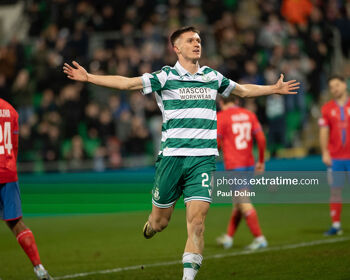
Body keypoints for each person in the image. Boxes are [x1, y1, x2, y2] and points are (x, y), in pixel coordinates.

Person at [63, 26, 299, 280]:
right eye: (190, 41)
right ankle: (152, 224)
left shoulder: (212, 76)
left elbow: (241, 90)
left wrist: (273, 89)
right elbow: (128, 83)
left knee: (197, 223)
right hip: (172, 159)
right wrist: (90, 78)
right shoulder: (165, 76)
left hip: (203, 161)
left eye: (198, 40)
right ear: (177, 48)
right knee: (160, 223)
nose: (196, 44)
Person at [0, 98, 53, 280]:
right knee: (16, 223)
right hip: (8, 172)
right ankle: (39, 268)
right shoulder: (10, 110)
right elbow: (14, 145)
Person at [216, 96, 268, 250]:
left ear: (221, 103)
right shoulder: (249, 114)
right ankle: (229, 238)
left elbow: (217, 142)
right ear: (236, 101)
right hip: (249, 164)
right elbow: (261, 138)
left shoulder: (221, 117)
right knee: (238, 203)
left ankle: (259, 238)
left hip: (234, 165)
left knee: (243, 202)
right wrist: (261, 160)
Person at [319, 75, 350, 236]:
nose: (334, 89)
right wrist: (325, 152)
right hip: (336, 158)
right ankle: (336, 225)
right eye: (331, 87)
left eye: (337, 85)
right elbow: (324, 131)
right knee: (335, 191)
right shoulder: (326, 108)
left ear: (344, 85)